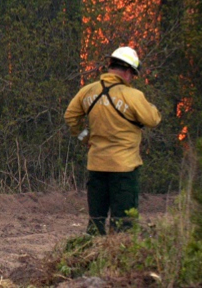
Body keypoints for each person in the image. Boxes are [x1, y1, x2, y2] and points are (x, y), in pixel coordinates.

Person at [64, 46, 161, 235]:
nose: (132, 78)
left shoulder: (87, 91)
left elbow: (70, 117)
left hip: (97, 166)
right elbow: (153, 119)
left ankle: (92, 251)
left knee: (96, 223)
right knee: (124, 225)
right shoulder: (133, 96)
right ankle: (117, 252)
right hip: (124, 169)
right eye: (133, 74)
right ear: (127, 71)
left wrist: (85, 137)